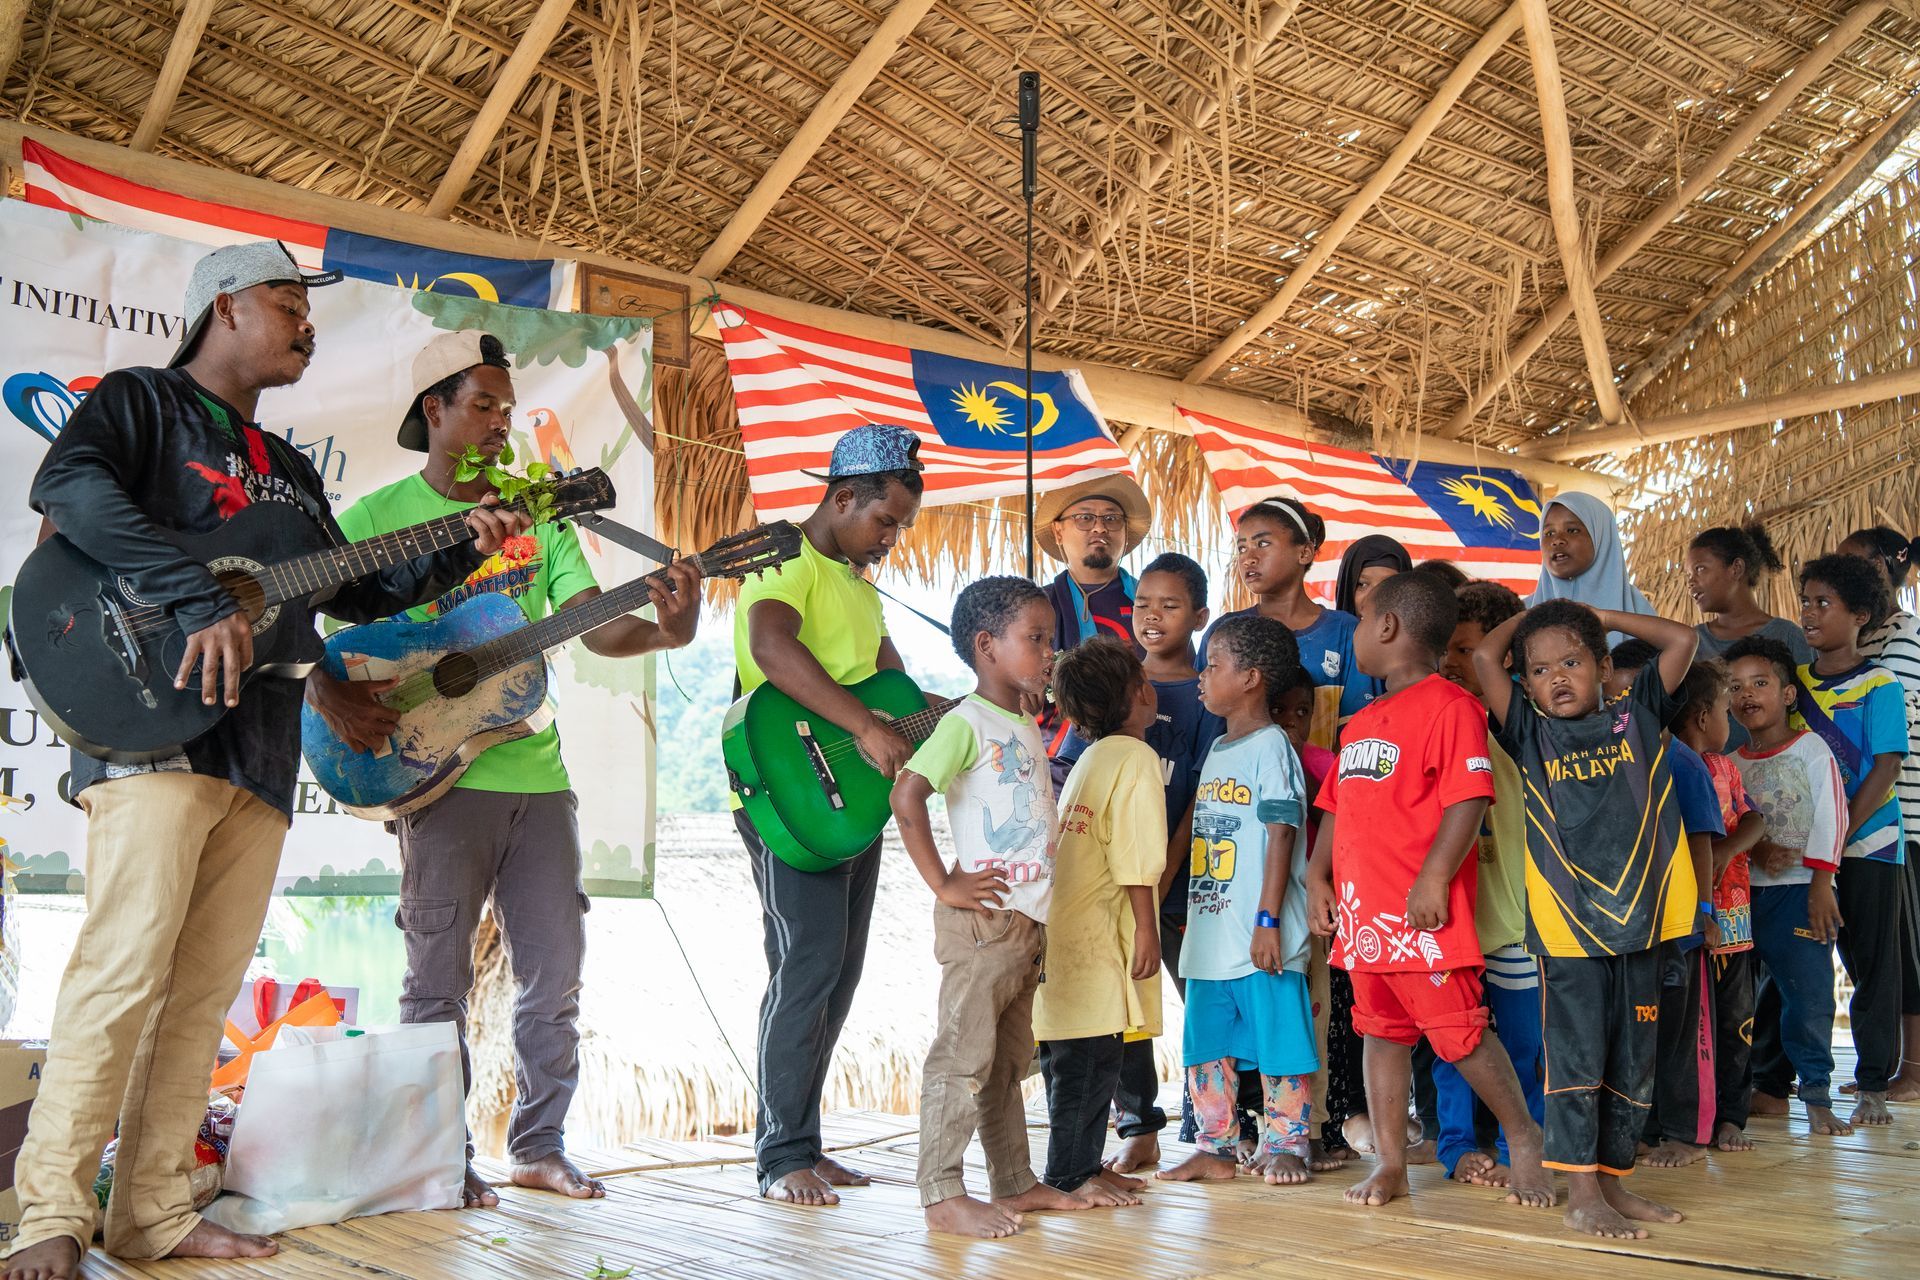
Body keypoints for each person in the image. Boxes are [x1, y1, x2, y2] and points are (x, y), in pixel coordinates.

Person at [3, 243, 529, 1280]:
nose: (305, 322)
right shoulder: (143, 402)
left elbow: (355, 588)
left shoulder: (287, 471)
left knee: (200, 991)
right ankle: (49, 1214)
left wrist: (464, 544)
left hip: (260, 747)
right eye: (288, 303)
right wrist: (198, 596)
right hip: (150, 724)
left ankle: (151, 1211)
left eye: (306, 308)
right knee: (121, 971)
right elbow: (67, 489)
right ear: (225, 308)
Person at [306, 330, 702, 1208]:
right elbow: (322, 644)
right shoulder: (375, 519)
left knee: (555, 976)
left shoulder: (538, 516)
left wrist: (668, 629)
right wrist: (352, 693)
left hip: (537, 775)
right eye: (482, 404)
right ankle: (436, 1158)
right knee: (434, 984)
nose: (499, 422)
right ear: (434, 410)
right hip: (435, 777)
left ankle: (538, 1147)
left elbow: (596, 624)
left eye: (507, 409)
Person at [1308, 572, 1551, 1210]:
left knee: (1459, 1033)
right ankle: (1390, 1163)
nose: (1356, 633)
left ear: (1387, 627)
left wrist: (1436, 876)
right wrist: (1315, 876)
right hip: (1364, 921)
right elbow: (1336, 807)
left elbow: (1468, 798)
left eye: (1363, 621)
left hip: (1421, 918)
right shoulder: (1360, 724)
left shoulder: (1452, 707)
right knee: (1381, 1034)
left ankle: (1523, 1138)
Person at [731, 424, 926, 1205]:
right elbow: (772, 649)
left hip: (850, 800)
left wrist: (966, 708)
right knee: (807, 963)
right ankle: (780, 1157)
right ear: (843, 497)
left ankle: (804, 1142)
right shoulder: (785, 560)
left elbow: (892, 688)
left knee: (837, 970)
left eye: (900, 527)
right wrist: (863, 727)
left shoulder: (857, 586)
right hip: (790, 793)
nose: (890, 539)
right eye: (885, 521)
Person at [1471, 599, 1700, 1240]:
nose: (1558, 678)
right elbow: (1486, 656)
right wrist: (1538, 616)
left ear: (1603, 667)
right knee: (1577, 1060)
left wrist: (1603, 616)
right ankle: (1581, 1195)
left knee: (1633, 1059)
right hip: (1569, 929)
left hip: (1644, 922)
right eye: (1541, 670)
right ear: (1526, 684)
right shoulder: (1529, 732)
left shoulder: (1638, 715)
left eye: (1572, 662)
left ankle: (1614, 1184)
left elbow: (1682, 640)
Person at [890, 577, 1088, 1237]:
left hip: (1025, 924)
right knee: (962, 1058)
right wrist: (945, 884)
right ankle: (941, 1192)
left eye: (1050, 639)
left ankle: (1015, 1182)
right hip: (982, 924)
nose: (1049, 652)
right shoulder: (965, 722)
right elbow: (907, 793)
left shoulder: (1023, 720)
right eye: (1036, 639)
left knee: (1005, 1064)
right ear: (986, 645)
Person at [1056, 553, 1221, 1177]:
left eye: (1169, 605)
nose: (1152, 615)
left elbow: (1200, 800)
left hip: (1178, 886)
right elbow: (1076, 776)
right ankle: (1139, 1125)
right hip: (1122, 890)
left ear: (1199, 616)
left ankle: (1219, 1128)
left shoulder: (1208, 693)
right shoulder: (1113, 681)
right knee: (1121, 1012)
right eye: (1143, 603)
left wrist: (1163, 882)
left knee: (1199, 1004)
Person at [1160, 615, 1320, 1187]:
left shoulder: (1271, 745)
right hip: (1211, 933)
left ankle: (1288, 1144)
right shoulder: (1219, 746)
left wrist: (1268, 918)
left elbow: (1282, 832)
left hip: (1259, 934)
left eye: (1213, 666)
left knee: (1281, 1041)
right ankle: (1216, 1147)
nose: (1201, 677)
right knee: (1206, 1046)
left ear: (1250, 678)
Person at [1772, 555, 1907, 1128]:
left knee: (1872, 965)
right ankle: (1779, 1080)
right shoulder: (1790, 685)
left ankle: (1872, 1084)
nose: (1808, 612)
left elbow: (1887, 766)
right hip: (1804, 849)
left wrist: (1837, 832)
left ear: (1860, 615)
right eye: (1805, 601)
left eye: (1823, 603)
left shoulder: (1880, 684)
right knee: (1794, 961)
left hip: (1869, 844)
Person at [1036, 638, 1167, 1207]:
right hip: (1095, 932)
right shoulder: (1134, 757)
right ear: (1139, 693)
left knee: (1078, 1057)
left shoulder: (1091, 756)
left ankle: (1083, 1164)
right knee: (1088, 1062)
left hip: (1068, 930)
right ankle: (1069, 1174)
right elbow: (1135, 853)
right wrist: (1147, 928)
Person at [1432, 579, 1542, 1189]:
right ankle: (1456, 1147)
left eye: (1467, 649)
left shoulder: (1523, 727)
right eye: (1447, 648)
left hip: (1519, 919)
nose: (1453, 661)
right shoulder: (1438, 722)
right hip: (1453, 919)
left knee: (1523, 1044)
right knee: (1454, 1041)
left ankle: (1516, 1144)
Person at [1602, 647, 1723, 1170]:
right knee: (1637, 1031)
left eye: (1638, 695)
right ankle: (1644, 1128)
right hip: (1629, 925)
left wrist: (1703, 909)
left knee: (1681, 1033)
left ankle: (1687, 1133)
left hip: (1679, 923)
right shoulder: (1604, 756)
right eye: (1615, 697)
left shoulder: (1682, 762)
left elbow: (1700, 843)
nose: (1625, 707)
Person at [1724, 637, 1850, 1136]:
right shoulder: (1730, 762)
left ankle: (1816, 1094)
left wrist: (1822, 885)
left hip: (1800, 892)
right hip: (1740, 896)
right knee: (1740, 1000)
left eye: (1760, 683)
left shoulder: (1811, 749)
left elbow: (1833, 817)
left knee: (1809, 995)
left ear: (1789, 694)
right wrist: (1755, 850)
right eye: (1735, 686)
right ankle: (1745, 1094)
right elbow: (1728, 824)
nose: (1747, 694)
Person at [1667, 661, 1767, 1152]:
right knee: (1692, 1025)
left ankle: (1731, 1117)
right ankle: (1690, 1119)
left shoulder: (1724, 767)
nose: (1731, 721)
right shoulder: (1671, 765)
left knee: (1735, 1020)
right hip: (1689, 921)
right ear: (1705, 717)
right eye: (1727, 710)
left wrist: (1727, 850)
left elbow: (1754, 820)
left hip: (1733, 922)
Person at [1837, 526, 1920, 1105]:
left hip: (1902, 817)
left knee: (1907, 949)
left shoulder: (1905, 637)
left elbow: (1895, 732)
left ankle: (1914, 1072)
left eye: (1861, 563)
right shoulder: (1864, 640)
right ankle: (1889, 1065)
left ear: (1892, 566)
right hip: (1862, 815)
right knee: (1871, 949)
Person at [1198, 496, 1372, 748]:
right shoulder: (1224, 632)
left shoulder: (1345, 632)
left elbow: (1356, 732)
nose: (1248, 558)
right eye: (1242, 548)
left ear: (1304, 552)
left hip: (1323, 774)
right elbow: (1204, 725)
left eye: (1263, 543)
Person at [1033, 475, 1153, 775]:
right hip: (1053, 773)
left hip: (1140, 763)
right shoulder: (1035, 607)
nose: (1100, 527)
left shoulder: (1152, 602)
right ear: (1058, 531)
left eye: (1111, 518)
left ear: (1125, 531)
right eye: (1085, 518)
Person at [1685, 524, 1810, 751]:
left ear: (1736, 568)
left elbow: (1809, 710)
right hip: (1713, 770)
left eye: (1700, 569)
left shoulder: (1787, 635)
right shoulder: (1691, 642)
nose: (1690, 582)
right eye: (1688, 575)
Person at [1530, 493, 1654, 645]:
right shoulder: (1522, 613)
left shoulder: (1636, 608)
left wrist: (1609, 620)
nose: (1557, 540)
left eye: (1572, 530)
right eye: (1549, 533)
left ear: (1601, 536)